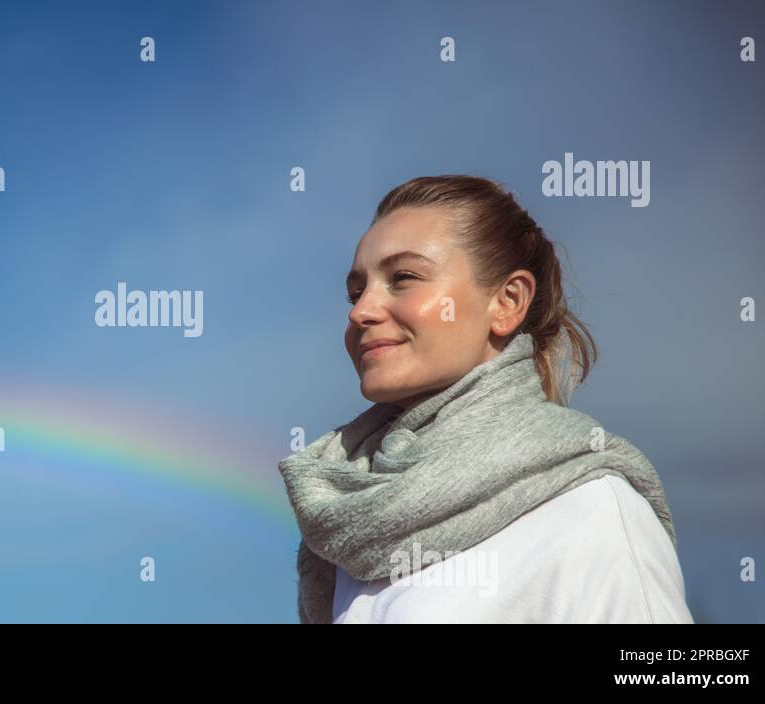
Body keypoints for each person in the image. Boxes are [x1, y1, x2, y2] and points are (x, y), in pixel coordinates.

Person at [279, 175, 694, 624]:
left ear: (507, 302)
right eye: (356, 291)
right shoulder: (348, 520)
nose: (360, 311)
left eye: (403, 278)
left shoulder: (589, 509)